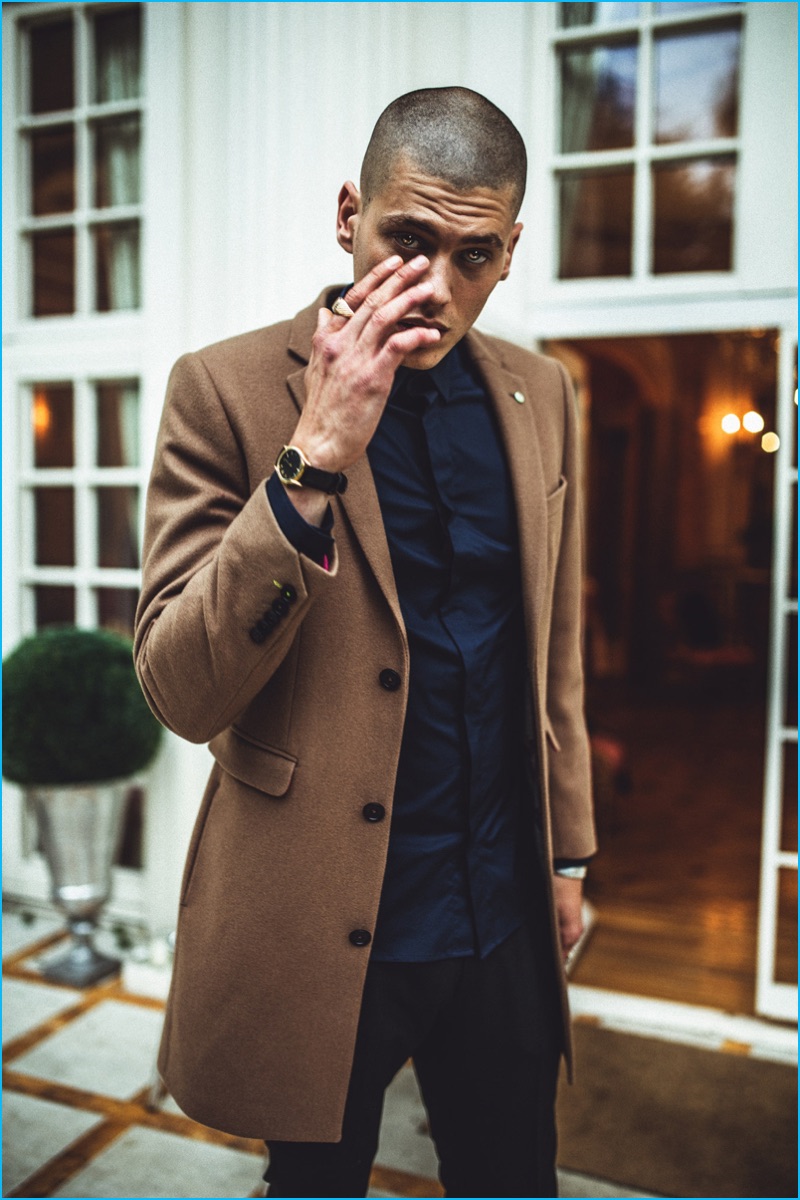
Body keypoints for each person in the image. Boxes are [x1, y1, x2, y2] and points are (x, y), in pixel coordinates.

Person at [134, 86, 596, 1199]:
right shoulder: (224, 389)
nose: (435, 286)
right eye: (408, 239)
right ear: (349, 214)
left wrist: (568, 856)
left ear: (509, 251)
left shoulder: (541, 394)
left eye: (473, 256)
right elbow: (178, 688)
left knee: (513, 1180)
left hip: (500, 907)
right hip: (320, 914)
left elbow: (555, 653)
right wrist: (314, 455)